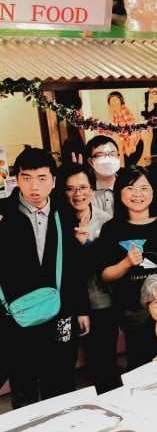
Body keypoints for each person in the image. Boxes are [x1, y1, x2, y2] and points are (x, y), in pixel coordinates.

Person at [0, 149, 89, 408]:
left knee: (61, 379)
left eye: (41, 178)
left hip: (61, 310)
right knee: (23, 383)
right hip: (15, 313)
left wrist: (81, 309)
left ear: (53, 180)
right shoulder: (4, 213)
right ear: (17, 179)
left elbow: (74, 268)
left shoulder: (65, 212)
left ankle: (63, 427)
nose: (34, 187)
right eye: (26, 178)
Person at [96, 165, 157, 357]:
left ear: (153, 191)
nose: (137, 194)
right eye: (130, 188)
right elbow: (105, 275)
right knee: (143, 364)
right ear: (119, 192)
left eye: (144, 188)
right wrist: (126, 263)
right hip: (136, 312)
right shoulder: (111, 228)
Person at [60, 162, 118, 392]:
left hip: (102, 301)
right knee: (64, 367)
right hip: (68, 305)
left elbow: (108, 264)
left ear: (93, 190)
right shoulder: (59, 220)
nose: (78, 194)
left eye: (83, 187)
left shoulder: (106, 220)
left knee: (105, 364)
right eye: (71, 188)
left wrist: (87, 244)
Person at [86, 135, 121, 215]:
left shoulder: (127, 185)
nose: (108, 159)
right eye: (100, 155)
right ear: (91, 161)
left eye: (112, 154)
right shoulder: (85, 190)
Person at [106, 91, 142, 165]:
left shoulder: (124, 110)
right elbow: (120, 134)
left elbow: (133, 131)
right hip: (127, 144)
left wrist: (129, 148)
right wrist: (125, 147)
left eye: (116, 100)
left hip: (135, 143)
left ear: (121, 101)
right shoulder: (115, 114)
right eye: (112, 100)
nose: (114, 103)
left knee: (131, 167)